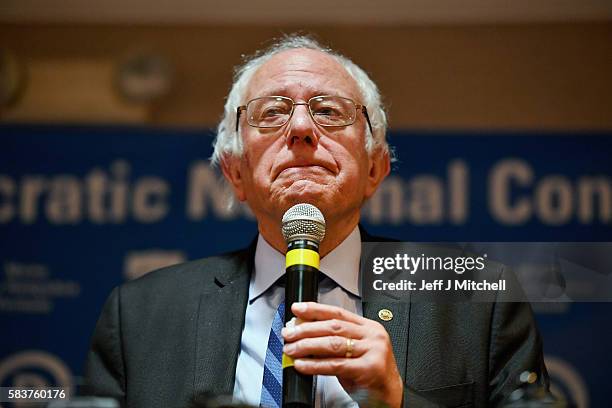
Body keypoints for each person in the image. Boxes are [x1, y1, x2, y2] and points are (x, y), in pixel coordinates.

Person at [84, 35, 548, 408]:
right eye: (272, 113)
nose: (302, 129)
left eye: (329, 111)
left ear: (374, 169)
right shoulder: (139, 314)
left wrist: (397, 401)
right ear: (235, 173)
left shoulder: (479, 300)